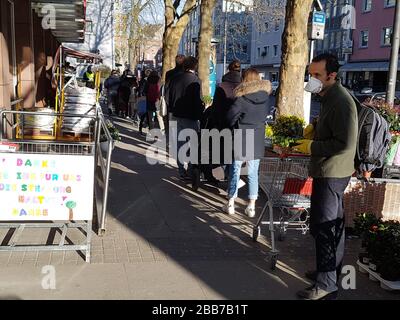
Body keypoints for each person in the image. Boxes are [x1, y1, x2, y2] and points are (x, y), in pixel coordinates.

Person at [293, 53, 358, 300]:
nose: (313, 79)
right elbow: (333, 131)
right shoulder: (329, 96)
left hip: (332, 173)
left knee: (324, 229)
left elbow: (344, 143)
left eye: (317, 75)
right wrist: (316, 129)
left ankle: (327, 283)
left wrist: (311, 147)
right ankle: (329, 272)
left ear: (331, 76)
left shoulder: (340, 101)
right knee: (333, 227)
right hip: (330, 171)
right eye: (311, 74)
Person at [224, 68, 271, 218]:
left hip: (241, 136)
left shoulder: (242, 98)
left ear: (244, 79)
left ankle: (231, 203)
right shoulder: (266, 98)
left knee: (235, 170)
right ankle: (251, 206)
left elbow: (230, 117)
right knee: (252, 173)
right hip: (256, 138)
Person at [169, 56, 205, 180]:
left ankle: (180, 170)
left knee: (180, 143)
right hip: (191, 116)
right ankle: (190, 169)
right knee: (194, 143)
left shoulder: (174, 79)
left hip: (177, 115)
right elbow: (198, 100)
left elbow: (170, 96)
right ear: (194, 66)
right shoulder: (196, 80)